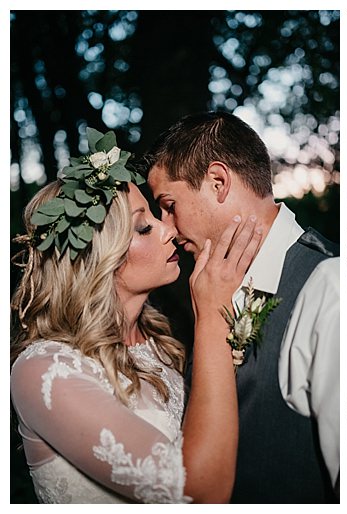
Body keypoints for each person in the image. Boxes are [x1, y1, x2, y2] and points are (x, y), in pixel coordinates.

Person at [10, 128, 262, 503]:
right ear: (99, 259)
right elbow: (199, 493)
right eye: (144, 226)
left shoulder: (159, 346)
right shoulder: (43, 370)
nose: (169, 230)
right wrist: (212, 317)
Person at [143, 111, 339, 503]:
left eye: (169, 204)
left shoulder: (325, 284)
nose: (165, 226)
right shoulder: (212, 285)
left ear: (217, 181)